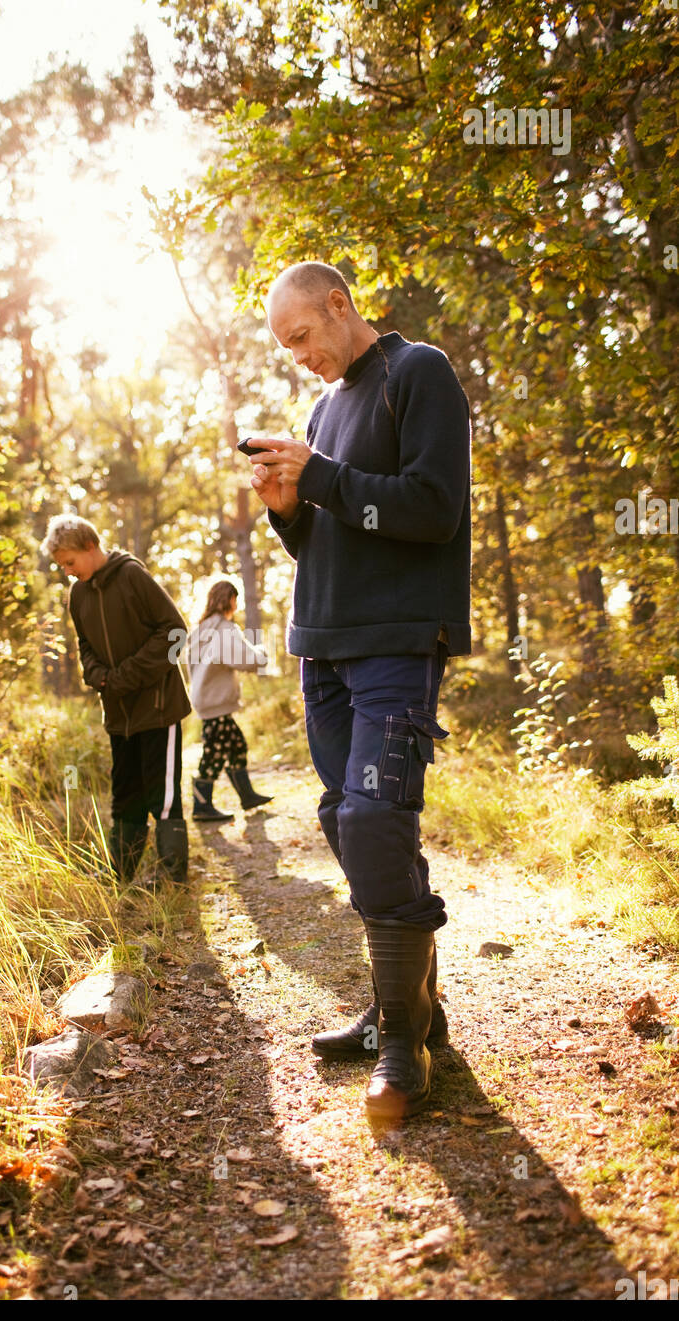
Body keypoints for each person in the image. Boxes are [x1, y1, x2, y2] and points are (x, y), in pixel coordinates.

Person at [246, 262, 471, 1126]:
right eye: (285, 346)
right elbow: (328, 542)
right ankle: (409, 1003)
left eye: (302, 335)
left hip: (398, 642)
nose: (297, 356)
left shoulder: (420, 374)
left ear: (339, 306)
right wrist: (287, 507)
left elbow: (432, 509)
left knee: (379, 819)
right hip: (324, 646)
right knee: (345, 819)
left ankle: (403, 1045)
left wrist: (327, 480)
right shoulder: (321, 409)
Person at [41, 514, 191, 888]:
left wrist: (124, 676)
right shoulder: (77, 594)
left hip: (159, 708)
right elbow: (85, 647)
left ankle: (173, 879)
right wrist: (98, 676)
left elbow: (174, 633)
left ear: (90, 547)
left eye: (70, 562)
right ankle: (120, 875)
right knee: (126, 796)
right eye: (62, 566)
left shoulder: (133, 577)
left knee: (164, 796)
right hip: (119, 714)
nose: (68, 572)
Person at [186, 579, 273, 823]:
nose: (237, 604)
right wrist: (262, 654)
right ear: (229, 599)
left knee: (236, 745)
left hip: (206, 700)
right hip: (216, 704)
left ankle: (247, 796)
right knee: (213, 754)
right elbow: (244, 659)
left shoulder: (200, 629)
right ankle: (202, 805)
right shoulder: (223, 629)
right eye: (236, 599)